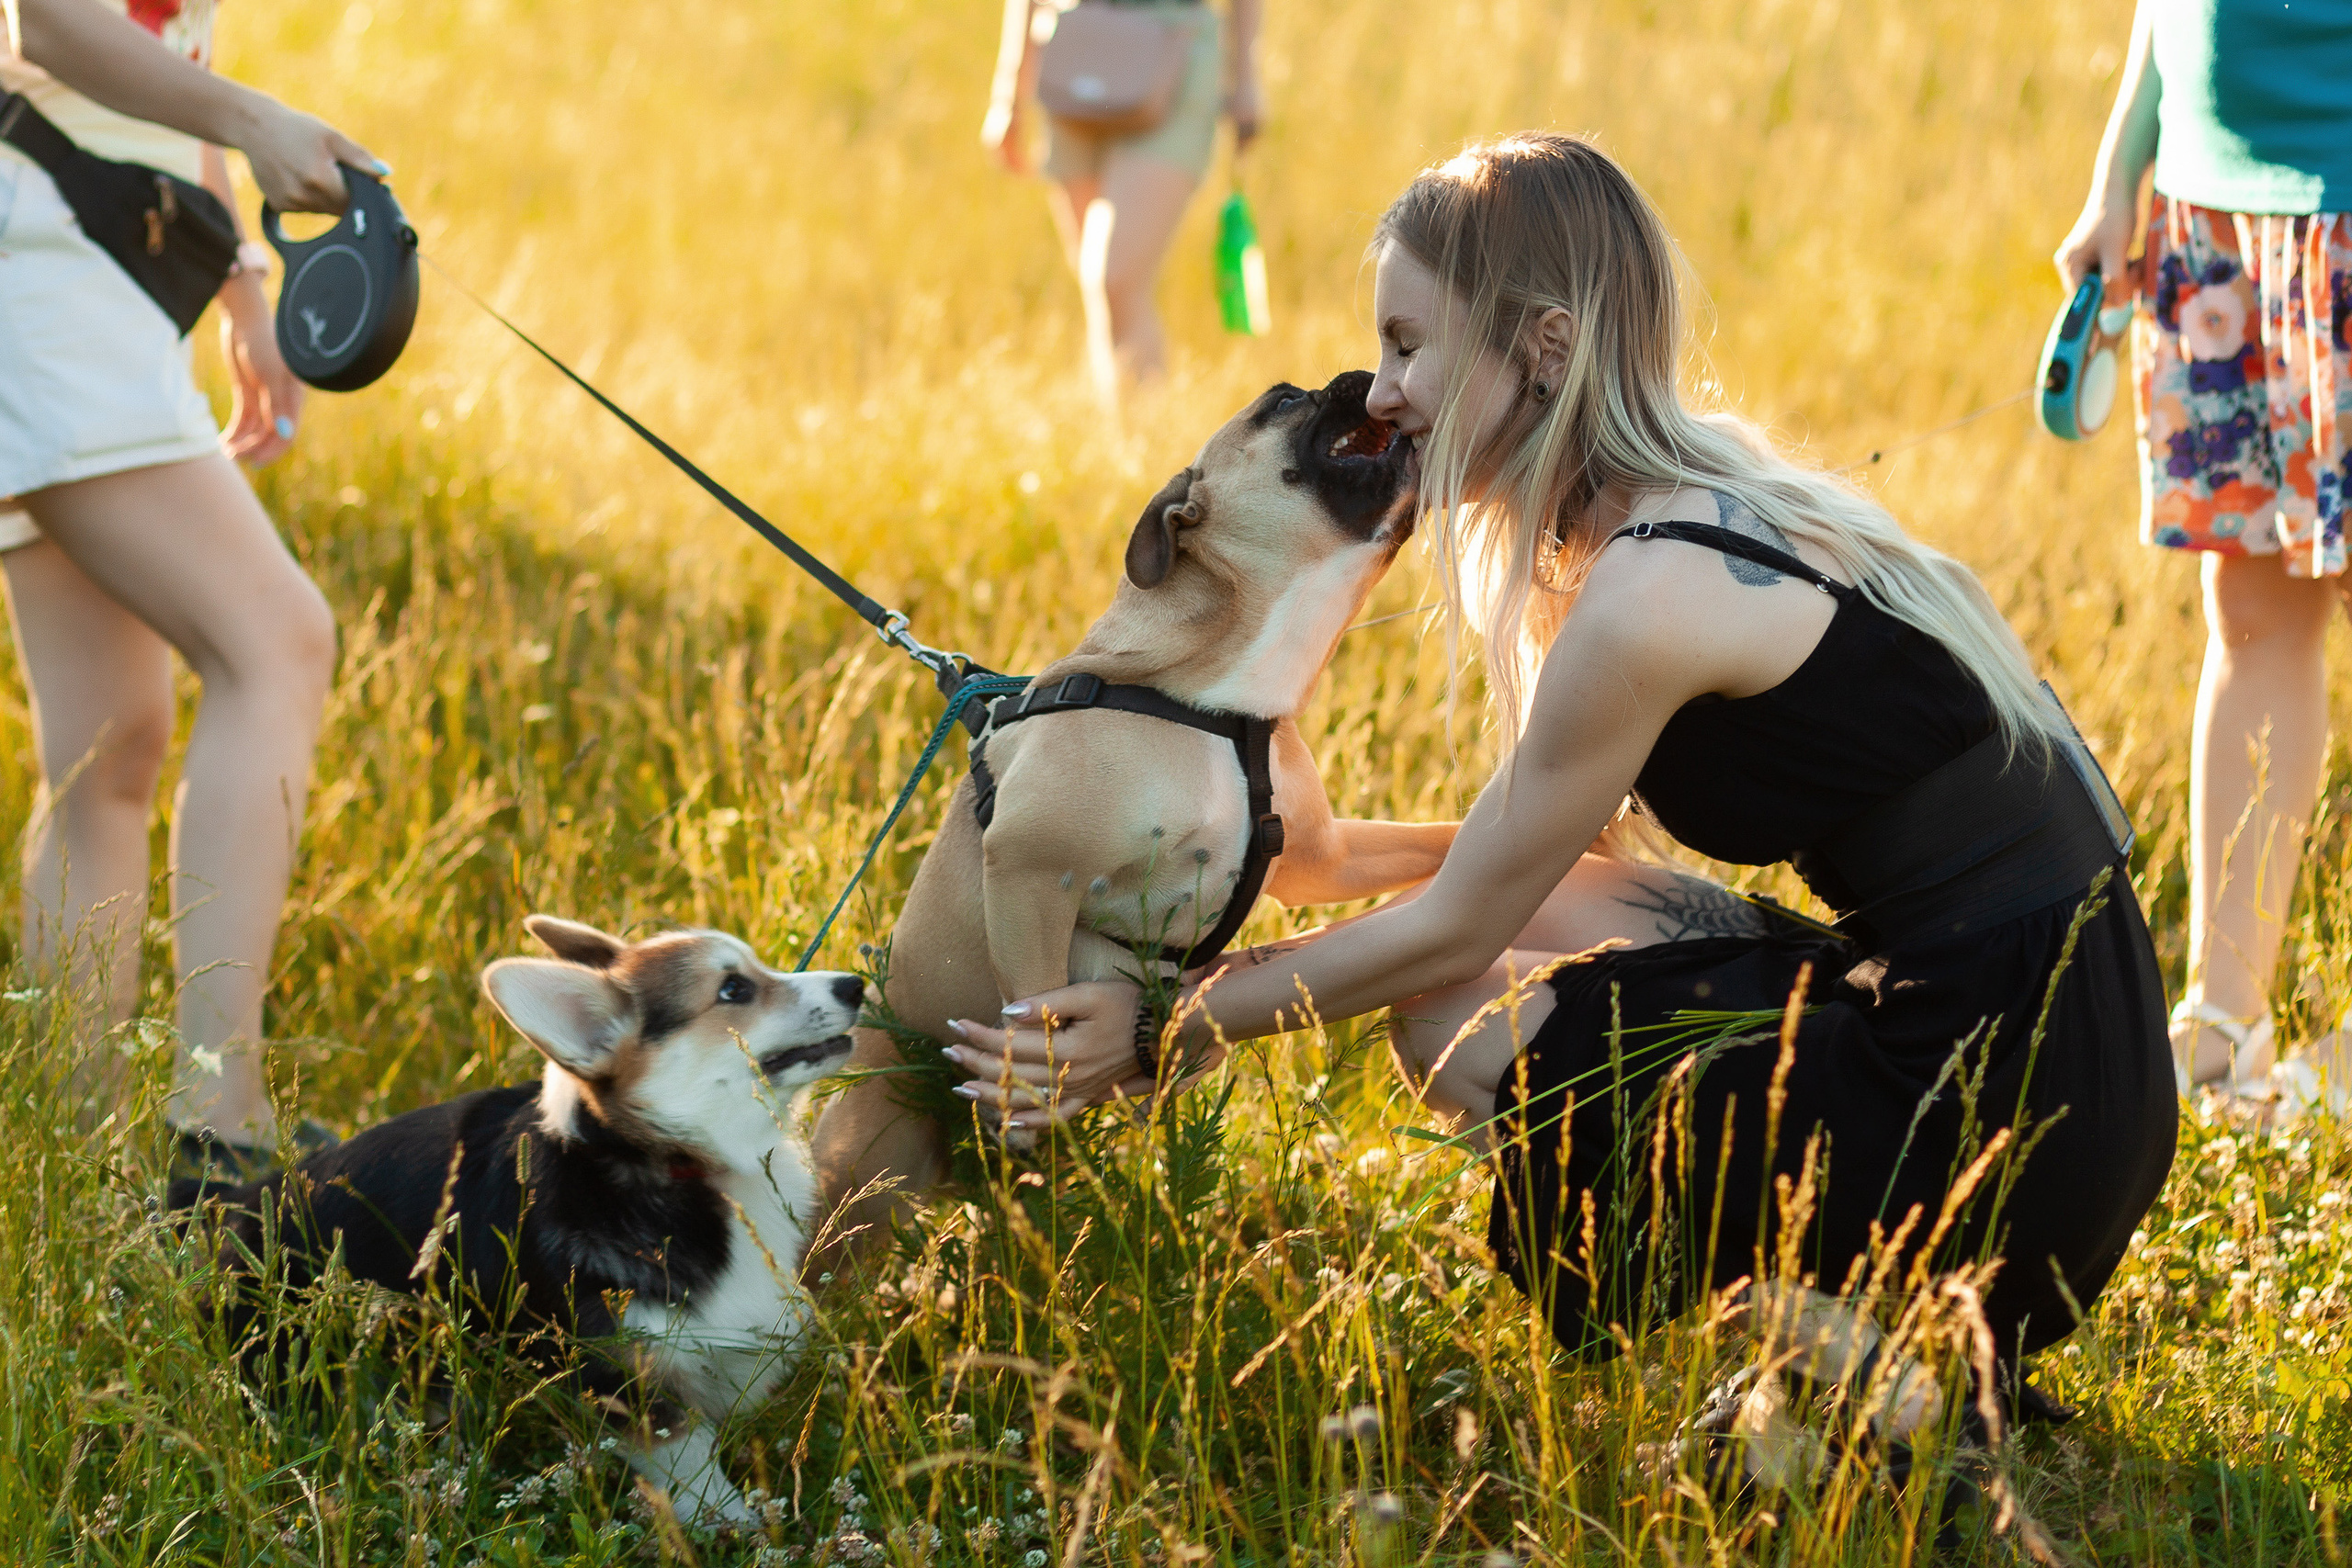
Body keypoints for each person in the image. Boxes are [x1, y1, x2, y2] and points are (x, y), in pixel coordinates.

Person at [948, 136, 2177, 1432]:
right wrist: (1269, 791)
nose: (1382, 384)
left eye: (1411, 342)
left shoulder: (1649, 589)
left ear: (1540, 345)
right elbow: (1470, 871)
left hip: (2011, 1115)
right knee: (1562, 915)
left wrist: (1163, 1029)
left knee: (1447, 1011)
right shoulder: (1699, 501)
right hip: (2061, 1046)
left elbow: (1459, 928)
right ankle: (1871, 1342)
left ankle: (1876, 1355)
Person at [2, 0, 379, 1172]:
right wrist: (258, 119)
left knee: (107, 746)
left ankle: (79, 1158)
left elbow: (171, 52)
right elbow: (53, 27)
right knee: (277, 642)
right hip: (41, 271)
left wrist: (244, 279)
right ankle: (222, 1130)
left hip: (92, 267)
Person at [2054, 0, 2352, 1117]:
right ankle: (2225, 1023)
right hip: (2213, 217)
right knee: (2250, 616)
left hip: (2344, 201)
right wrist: (2119, 166)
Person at [982, 0, 1263, 401]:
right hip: (1073, 46)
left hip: (1174, 48)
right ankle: (1117, 433)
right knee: (1099, 289)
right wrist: (1009, 92)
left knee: (1114, 278)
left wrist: (1248, 79)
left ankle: (1144, 442)